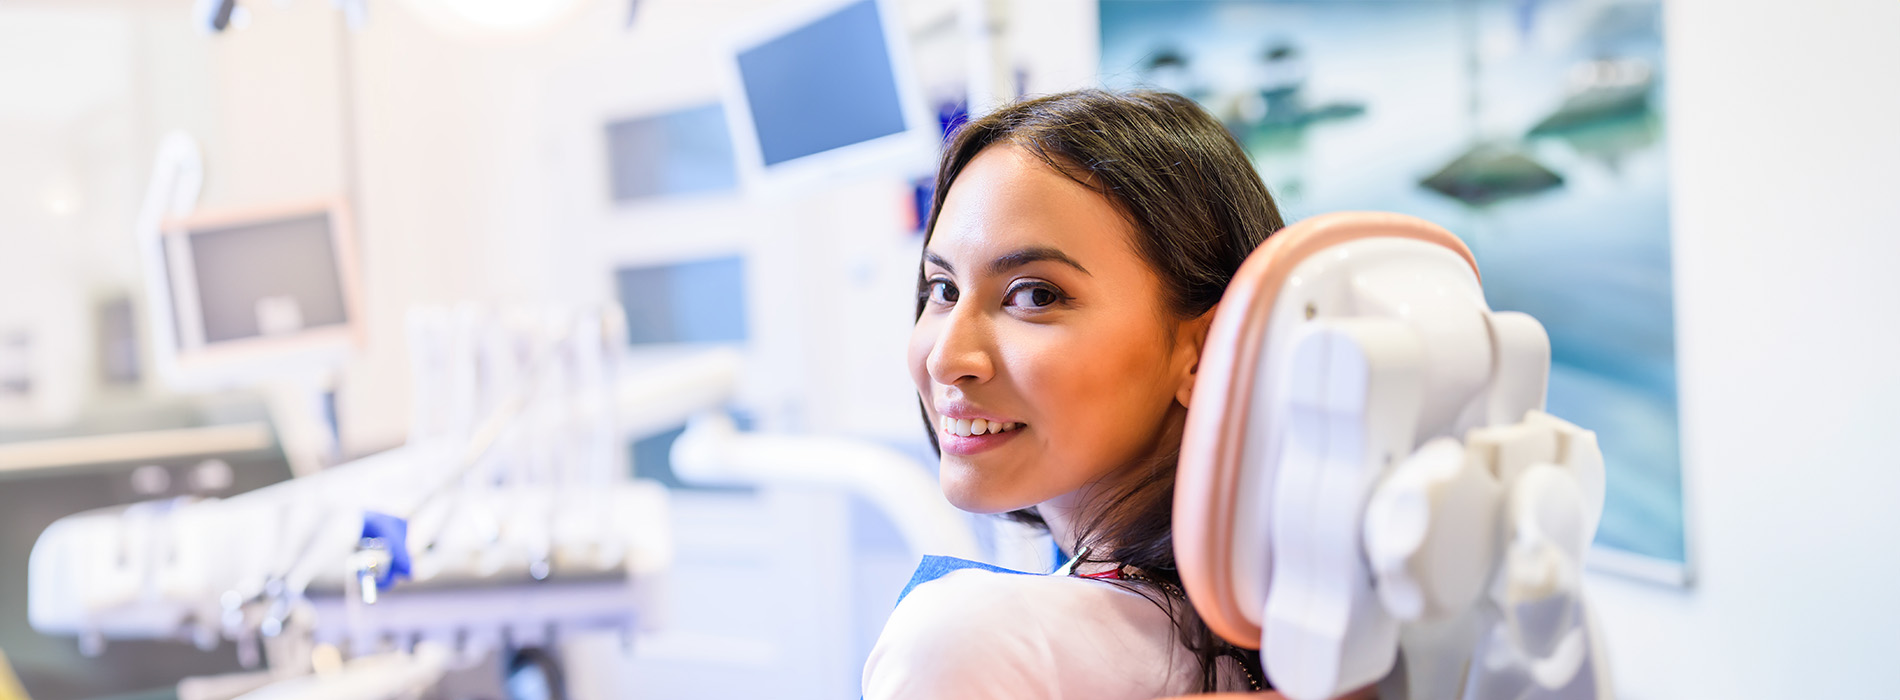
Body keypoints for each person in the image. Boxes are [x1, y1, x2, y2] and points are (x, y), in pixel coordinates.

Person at [863, 89, 1347, 699]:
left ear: (1209, 349)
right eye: (943, 289)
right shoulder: (1310, 634)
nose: (945, 357)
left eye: (1034, 295)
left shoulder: (974, 644)